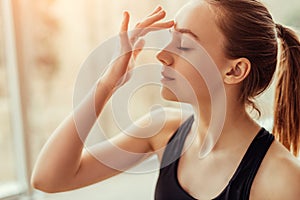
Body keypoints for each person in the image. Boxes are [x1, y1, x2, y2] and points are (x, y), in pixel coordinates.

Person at [31, 0, 300, 199]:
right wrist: (107, 83)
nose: (162, 54)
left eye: (183, 45)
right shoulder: (163, 131)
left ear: (234, 70)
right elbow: (49, 178)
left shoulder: (281, 179)